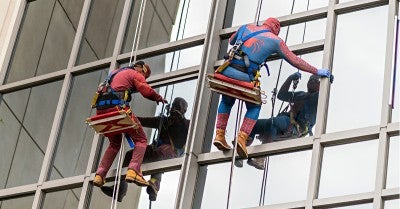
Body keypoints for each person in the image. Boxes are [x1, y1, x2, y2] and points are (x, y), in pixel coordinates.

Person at [213, 17, 333, 159]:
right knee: (254, 107)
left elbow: (232, 41)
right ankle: (242, 139)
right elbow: (295, 60)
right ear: (276, 29)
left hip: (226, 72)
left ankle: (219, 135)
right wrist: (316, 71)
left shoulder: (246, 27)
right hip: (245, 77)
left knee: (227, 102)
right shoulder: (276, 41)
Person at [92, 61, 168, 188]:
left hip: (101, 113)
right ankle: (133, 170)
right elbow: (146, 90)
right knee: (141, 139)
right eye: (145, 76)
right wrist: (157, 97)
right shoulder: (135, 74)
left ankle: (99, 175)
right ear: (142, 70)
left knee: (114, 144)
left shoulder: (113, 74)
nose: (144, 79)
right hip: (117, 109)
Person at [100, 97, 190, 202]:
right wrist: (126, 118)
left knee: (159, 152)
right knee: (130, 155)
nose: (174, 109)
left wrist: (179, 121)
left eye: (177, 107)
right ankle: (120, 189)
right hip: (157, 149)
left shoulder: (187, 124)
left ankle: (155, 185)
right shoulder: (163, 121)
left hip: (172, 152)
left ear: (183, 111)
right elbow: (141, 121)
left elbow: (187, 137)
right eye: (173, 106)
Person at [237, 72, 320, 170]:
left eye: (314, 81)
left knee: (273, 123)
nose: (310, 83)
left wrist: (327, 81)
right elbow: (281, 95)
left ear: (319, 86)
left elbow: (323, 93)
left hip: (296, 128)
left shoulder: (317, 98)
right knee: (254, 124)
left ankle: (261, 158)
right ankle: (241, 151)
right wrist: (289, 78)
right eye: (310, 80)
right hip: (287, 121)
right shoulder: (301, 95)